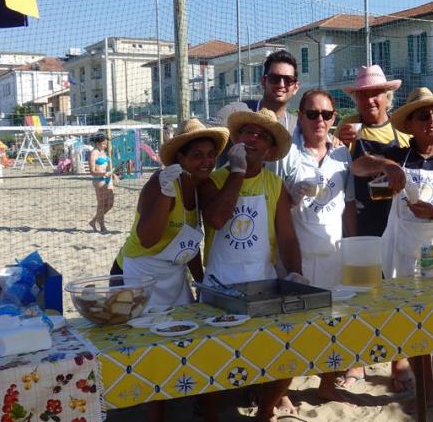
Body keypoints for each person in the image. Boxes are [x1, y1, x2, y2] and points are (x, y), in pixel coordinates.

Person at [199, 108, 304, 422]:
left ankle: (265, 411)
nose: (253, 138)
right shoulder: (212, 180)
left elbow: (286, 238)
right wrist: (237, 172)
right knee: (212, 362)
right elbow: (217, 218)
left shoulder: (275, 185)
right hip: (218, 288)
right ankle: (211, 416)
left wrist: (296, 273)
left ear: (271, 150)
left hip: (263, 285)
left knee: (286, 352)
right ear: (235, 140)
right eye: (247, 132)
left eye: (262, 136)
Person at [350, 86, 433, 403]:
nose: (431, 120)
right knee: (412, 325)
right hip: (401, 256)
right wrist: (387, 166)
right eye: (423, 115)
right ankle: (426, 386)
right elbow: (358, 166)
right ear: (409, 124)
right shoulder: (399, 155)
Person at [334, 65, 411, 389]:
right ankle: (359, 361)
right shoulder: (349, 131)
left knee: (399, 297)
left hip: (398, 226)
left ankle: (400, 362)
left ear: (388, 97)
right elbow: (355, 164)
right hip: (362, 223)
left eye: (376, 93)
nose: (370, 100)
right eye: (363, 94)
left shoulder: (405, 136)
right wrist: (386, 164)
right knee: (360, 296)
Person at [278, 89, 357, 406]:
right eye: (312, 114)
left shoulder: (342, 155)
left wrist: (355, 246)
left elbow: (348, 205)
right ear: (300, 116)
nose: (319, 120)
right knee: (291, 327)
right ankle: (281, 392)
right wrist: (292, 196)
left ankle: (326, 384)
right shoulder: (287, 154)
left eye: (326, 114)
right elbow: (275, 205)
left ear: (334, 117)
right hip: (298, 253)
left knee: (334, 324)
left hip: (335, 253)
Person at [116, 119, 229, 308]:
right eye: (197, 155)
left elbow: (189, 244)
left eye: (211, 155)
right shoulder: (161, 183)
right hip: (137, 273)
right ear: (181, 158)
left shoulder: (199, 186)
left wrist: (201, 283)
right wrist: (165, 196)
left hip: (173, 276)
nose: (207, 162)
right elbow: (147, 239)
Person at [215, 49, 300, 170]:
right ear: (263, 82)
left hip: (274, 187)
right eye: (274, 78)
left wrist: (333, 139)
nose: (281, 84)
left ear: (296, 87)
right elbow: (198, 137)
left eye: (288, 80)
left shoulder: (298, 126)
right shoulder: (235, 112)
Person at [88, 133, 117, 233]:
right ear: (98, 143)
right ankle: (102, 225)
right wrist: (104, 173)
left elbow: (108, 166)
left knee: (110, 204)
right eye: (104, 143)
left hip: (108, 179)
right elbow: (92, 171)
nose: (105, 145)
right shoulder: (94, 153)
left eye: (106, 143)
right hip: (99, 180)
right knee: (101, 204)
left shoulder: (104, 152)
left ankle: (94, 221)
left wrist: (114, 175)